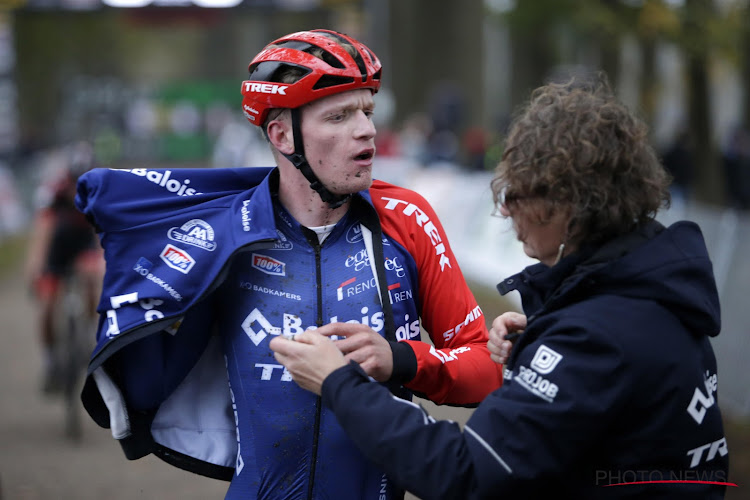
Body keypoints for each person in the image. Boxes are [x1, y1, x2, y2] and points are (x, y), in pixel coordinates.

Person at [75, 29, 503, 499]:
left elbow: (485, 368)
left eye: (367, 111)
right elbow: (148, 380)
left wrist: (401, 359)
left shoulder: (407, 220)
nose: (366, 130)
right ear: (282, 134)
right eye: (339, 116)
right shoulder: (229, 234)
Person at [270, 75, 731, 499]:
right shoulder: (657, 298)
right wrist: (542, 343)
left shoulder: (596, 335)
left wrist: (338, 382)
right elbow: (599, 419)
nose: (505, 211)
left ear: (570, 203)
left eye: (518, 192)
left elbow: (465, 472)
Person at [25, 141, 102, 393]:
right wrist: (35, 266)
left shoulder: (98, 193)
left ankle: (90, 335)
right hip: (57, 248)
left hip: (82, 246)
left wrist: (103, 264)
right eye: (73, 180)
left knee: (92, 276)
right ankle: (50, 359)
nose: (76, 188)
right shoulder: (53, 194)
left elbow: (103, 235)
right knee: (47, 306)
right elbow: (42, 232)